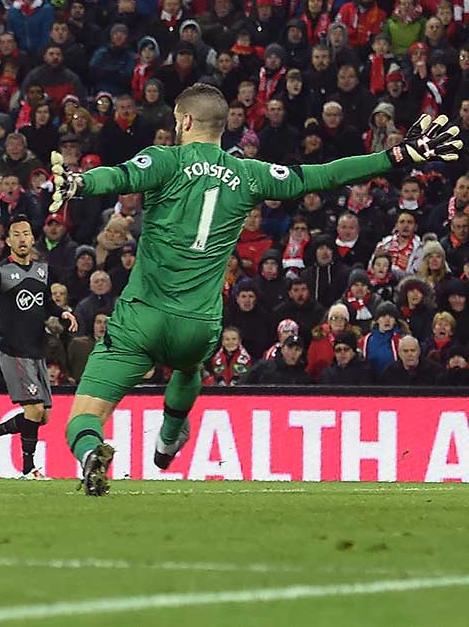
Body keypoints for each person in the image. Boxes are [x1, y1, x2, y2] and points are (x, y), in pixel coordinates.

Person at [48, 83, 462, 495]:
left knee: (84, 415)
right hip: (198, 326)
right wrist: (397, 154)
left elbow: (118, 176)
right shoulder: (250, 173)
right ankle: (170, 435)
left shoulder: (165, 160)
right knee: (188, 367)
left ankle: (90, 454)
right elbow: (327, 173)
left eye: (176, 120)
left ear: (186, 121)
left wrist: (77, 184)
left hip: (142, 317)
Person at [0, 214, 77, 479]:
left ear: (31, 238)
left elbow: (46, 302)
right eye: (16, 234)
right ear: (8, 241)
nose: (22, 239)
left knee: (44, 416)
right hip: (14, 350)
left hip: (36, 350)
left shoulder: (42, 269)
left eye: (26, 233)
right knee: (35, 410)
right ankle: (29, 469)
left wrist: (62, 313)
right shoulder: (0, 272)